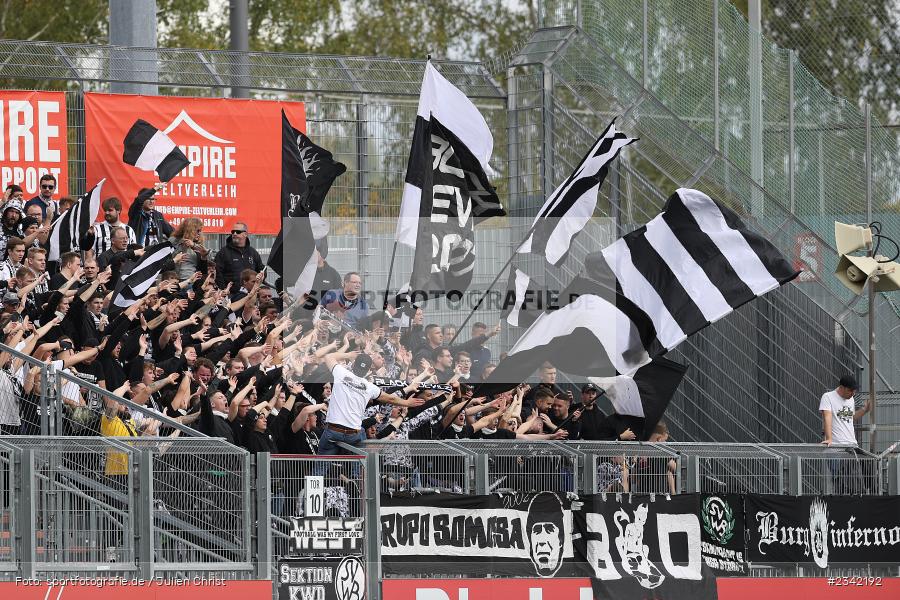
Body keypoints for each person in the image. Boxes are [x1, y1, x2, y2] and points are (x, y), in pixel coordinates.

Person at [317, 351, 423, 456]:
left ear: (354, 364)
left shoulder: (340, 373)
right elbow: (391, 399)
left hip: (333, 430)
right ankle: (358, 470)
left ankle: (321, 472)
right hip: (353, 434)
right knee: (361, 457)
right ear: (368, 370)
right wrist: (407, 402)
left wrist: (349, 355)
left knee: (322, 464)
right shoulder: (370, 387)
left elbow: (328, 356)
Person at [820, 374, 871, 447]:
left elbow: (850, 417)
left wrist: (864, 409)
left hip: (852, 444)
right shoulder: (828, 397)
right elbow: (827, 417)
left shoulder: (851, 399)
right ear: (841, 387)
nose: (852, 394)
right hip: (836, 445)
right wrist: (829, 438)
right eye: (850, 390)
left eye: (854, 391)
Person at [214, 221, 264, 290]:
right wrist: (224, 291)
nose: (234, 234)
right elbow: (217, 273)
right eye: (233, 232)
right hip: (231, 295)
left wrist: (262, 275)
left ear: (245, 234)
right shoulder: (223, 252)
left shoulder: (253, 252)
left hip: (250, 294)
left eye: (238, 232)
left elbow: (261, 269)